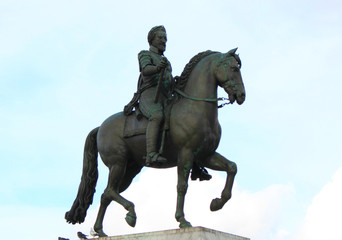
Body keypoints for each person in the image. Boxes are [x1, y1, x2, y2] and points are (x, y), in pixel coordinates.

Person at [137, 25, 172, 166]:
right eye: (160, 38)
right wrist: (157, 68)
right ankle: (151, 154)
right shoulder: (145, 54)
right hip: (150, 95)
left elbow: (168, 80)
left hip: (165, 97)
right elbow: (145, 70)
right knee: (157, 116)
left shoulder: (166, 61)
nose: (164, 41)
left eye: (165, 39)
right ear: (152, 40)